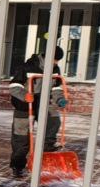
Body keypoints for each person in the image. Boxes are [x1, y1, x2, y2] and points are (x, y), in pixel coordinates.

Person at [9, 45, 66, 178]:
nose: (56, 63)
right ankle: (18, 166)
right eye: (55, 60)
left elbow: (57, 88)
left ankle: (47, 146)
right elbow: (14, 86)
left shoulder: (55, 69)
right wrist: (24, 95)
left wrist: (60, 99)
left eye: (57, 61)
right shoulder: (27, 67)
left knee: (54, 120)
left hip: (43, 104)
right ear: (47, 57)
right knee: (21, 138)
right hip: (24, 105)